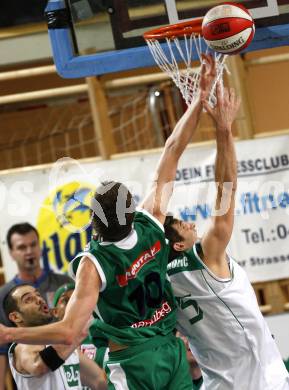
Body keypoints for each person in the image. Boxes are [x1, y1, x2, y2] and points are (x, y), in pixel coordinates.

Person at [0, 54, 216, 389]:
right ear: (130, 212)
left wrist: (11, 333)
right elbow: (172, 149)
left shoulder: (93, 264)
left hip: (133, 360)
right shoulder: (151, 223)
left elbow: (70, 331)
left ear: (94, 221)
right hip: (171, 350)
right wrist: (199, 100)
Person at [164, 85, 289, 389]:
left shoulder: (157, 279)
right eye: (183, 224)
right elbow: (225, 192)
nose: (192, 224)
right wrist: (223, 130)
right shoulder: (203, 258)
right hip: (258, 382)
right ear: (178, 245)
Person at [0, 222, 73, 389]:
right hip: (37, 368)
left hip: (72, 359)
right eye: (21, 247)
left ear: (40, 247)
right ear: (11, 253)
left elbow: (98, 379)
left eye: (33, 245)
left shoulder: (65, 283)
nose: (29, 251)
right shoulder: (4, 296)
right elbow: (2, 350)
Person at [3, 283, 107, 390]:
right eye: (28, 299)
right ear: (15, 317)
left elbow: (99, 381)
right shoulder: (22, 346)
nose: (39, 299)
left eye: (38, 295)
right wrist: (76, 334)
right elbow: (38, 367)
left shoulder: (67, 348)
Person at [52, 283, 109, 370]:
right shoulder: (50, 343)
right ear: (55, 312)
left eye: (76, 299)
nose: (72, 305)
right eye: (65, 300)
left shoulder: (100, 333)